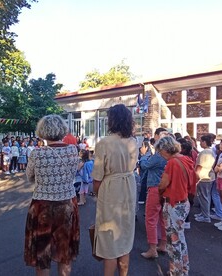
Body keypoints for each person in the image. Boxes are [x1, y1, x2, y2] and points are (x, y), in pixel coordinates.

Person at [24, 114, 79, 276]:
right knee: (65, 252)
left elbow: (29, 177)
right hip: (67, 204)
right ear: (62, 130)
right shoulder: (72, 150)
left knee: (42, 253)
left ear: (43, 131)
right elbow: (73, 173)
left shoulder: (37, 153)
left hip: (42, 206)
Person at [91, 104, 138, 276]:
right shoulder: (133, 141)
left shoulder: (104, 143)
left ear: (112, 120)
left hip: (110, 189)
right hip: (129, 186)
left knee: (109, 241)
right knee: (125, 235)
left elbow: (97, 177)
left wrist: (98, 193)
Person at [156, 136, 196, 276]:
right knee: (180, 239)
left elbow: (163, 184)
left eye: (161, 152)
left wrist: (159, 191)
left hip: (173, 203)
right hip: (183, 202)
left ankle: (176, 272)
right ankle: (184, 269)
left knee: (173, 241)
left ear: (166, 149)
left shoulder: (172, 162)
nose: (161, 155)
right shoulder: (185, 159)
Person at [140, 128, 168, 259]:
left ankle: (152, 248)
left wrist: (144, 155)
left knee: (151, 218)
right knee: (163, 218)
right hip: (165, 190)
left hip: (155, 188)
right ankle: (163, 244)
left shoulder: (158, 157)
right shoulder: (169, 157)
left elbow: (145, 165)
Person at [194, 135, 216, 223]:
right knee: (206, 196)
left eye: (201, 141)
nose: (200, 143)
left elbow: (199, 165)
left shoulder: (204, 153)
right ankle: (204, 213)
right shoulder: (211, 151)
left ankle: (206, 215)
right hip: (209, 175)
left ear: (204, 142)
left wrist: (196, 176)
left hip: (203, 176)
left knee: (203, 196)